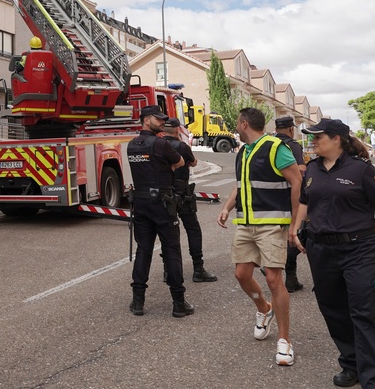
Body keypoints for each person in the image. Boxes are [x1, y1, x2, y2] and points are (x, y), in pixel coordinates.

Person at [292, 119, 375, 388]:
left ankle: (374, 381)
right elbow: (305, 201)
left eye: (318, 137)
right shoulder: (313, 168)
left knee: (366, 313)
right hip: (321, 249)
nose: (313, 141)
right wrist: (296, 228)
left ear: (337, 139)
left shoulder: (361, 169)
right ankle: (351, 364)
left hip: (360, 249)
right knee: (334, 310)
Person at [217, 108, 302, 367]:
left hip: (272, 225)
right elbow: (241, 184)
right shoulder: (243, 151)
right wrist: (227, 207)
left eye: (236, 124)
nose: (236, 128)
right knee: (241, 275)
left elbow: (297, 182)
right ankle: (264, 309)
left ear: (244, 124)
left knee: (274, 279)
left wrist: (294, 224)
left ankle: (285, 341)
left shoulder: (276, 147)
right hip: (245, 224)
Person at [127, 105, 193, 318]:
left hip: (141, 203)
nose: (162, 121)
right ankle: (178, 303)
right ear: (146, 120)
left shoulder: (132, 145)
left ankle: (138, 302)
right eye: (158, 118)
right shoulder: (160, 143)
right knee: (172, 250)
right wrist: (167, 168)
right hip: (163, 204)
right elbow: (181, 162)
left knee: (143, 250)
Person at [162, 117, 217, 283]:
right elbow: (193, 163)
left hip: (165, 194)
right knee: (193, 229)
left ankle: (168, 270)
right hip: (183, 194)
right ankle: (198, 269)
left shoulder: (159, 145)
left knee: (168, 234)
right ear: (178, 129)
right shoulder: (181, 146)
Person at [274, 116, 306, 292]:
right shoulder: (292, 146)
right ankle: (285, 273)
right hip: (289, 196)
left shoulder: (268, 144)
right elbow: (300, 171)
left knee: (279, 236)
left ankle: (288, 277)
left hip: (270, 198)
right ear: (291, 129)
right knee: (296, 234)